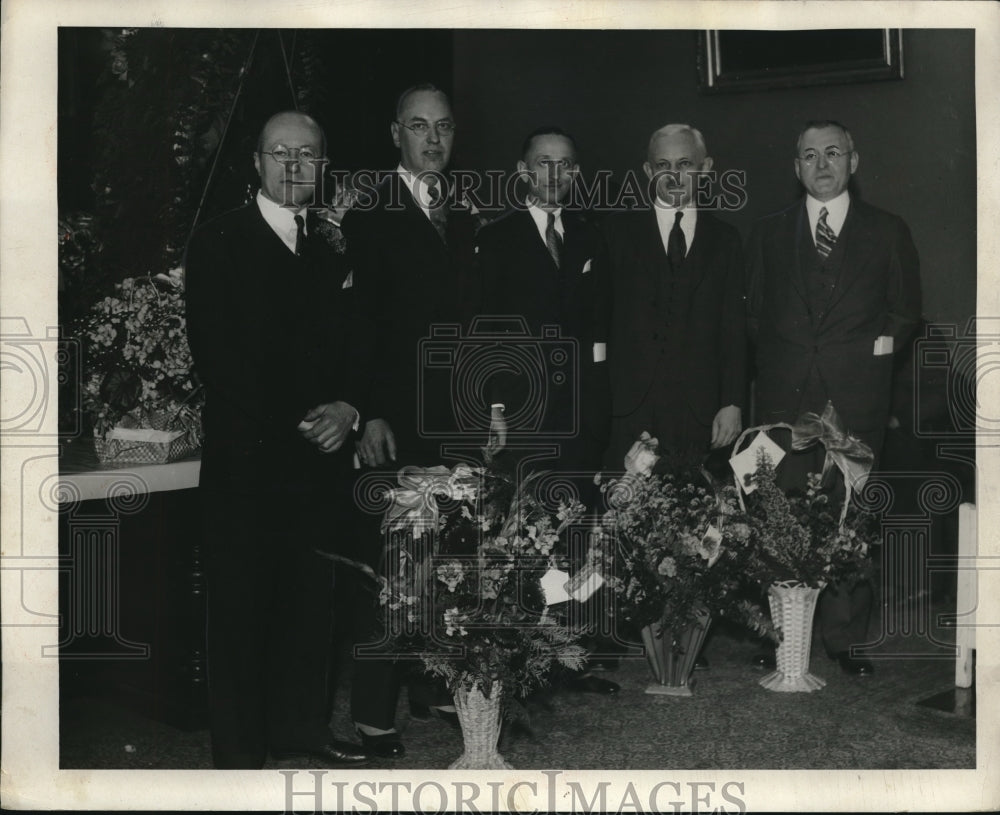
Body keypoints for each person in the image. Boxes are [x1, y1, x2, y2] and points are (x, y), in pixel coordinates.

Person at [184, 111, 369, 768]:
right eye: (281, 153)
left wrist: (348, 407)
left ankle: (300, 729)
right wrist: (305, 421)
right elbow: (222, 360)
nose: (294, 166)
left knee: (308, 608)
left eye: (308, 155)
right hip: (249, 463)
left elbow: (353, 348)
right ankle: (239, 757)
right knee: (240, 610)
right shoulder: (217, 242)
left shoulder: (329, 249)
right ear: (257, 164)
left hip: (318, 466)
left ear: (324, 167)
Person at [746, 120, 922, 676]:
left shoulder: (888, 231)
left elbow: (905, 312)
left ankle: (844, 637)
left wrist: (866, 359)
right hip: (783, 396)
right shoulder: (770, 232)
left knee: (852, 519)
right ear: (795, 167)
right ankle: (777, 628)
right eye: (809, 155)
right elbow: (752, 315)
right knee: (778, 515)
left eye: (833, 153)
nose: (821, 164)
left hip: (856, 399)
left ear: (854, 161)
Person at [340, 83, 478, 758]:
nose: (432, 140)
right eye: (419, 127)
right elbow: (358, 327)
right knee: (393, 564)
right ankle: (372, 711)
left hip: (457, 416)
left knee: (448, 557)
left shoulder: (466, 215)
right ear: (396, 134)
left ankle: (432, 683)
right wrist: (366, 413)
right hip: (396, 419)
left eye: (443, 128)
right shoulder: (369, 214)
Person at [474, 126, 617, 694]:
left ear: (575, 174)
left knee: (576, 530)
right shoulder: (497, 239)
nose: (554, 175)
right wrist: (496, 407)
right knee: (527, 532)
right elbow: (485, 332)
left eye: (566, 165)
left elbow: (602, 328)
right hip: (525, 413)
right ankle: (525, 660)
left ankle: (569, 653)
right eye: (543, 164)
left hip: (582, 413)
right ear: (523, 171)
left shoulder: (589, 235)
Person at [595, 124, 747, 471]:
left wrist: (732, 402)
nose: (674, 176)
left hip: (700, 412)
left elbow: (733, 329)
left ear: (705, 168)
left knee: (694, 514)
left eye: (684, 164)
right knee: (623, 511)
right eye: (663, 166)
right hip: (629, 408)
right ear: (648, 172)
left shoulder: (726, 240)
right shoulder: (614, 233)